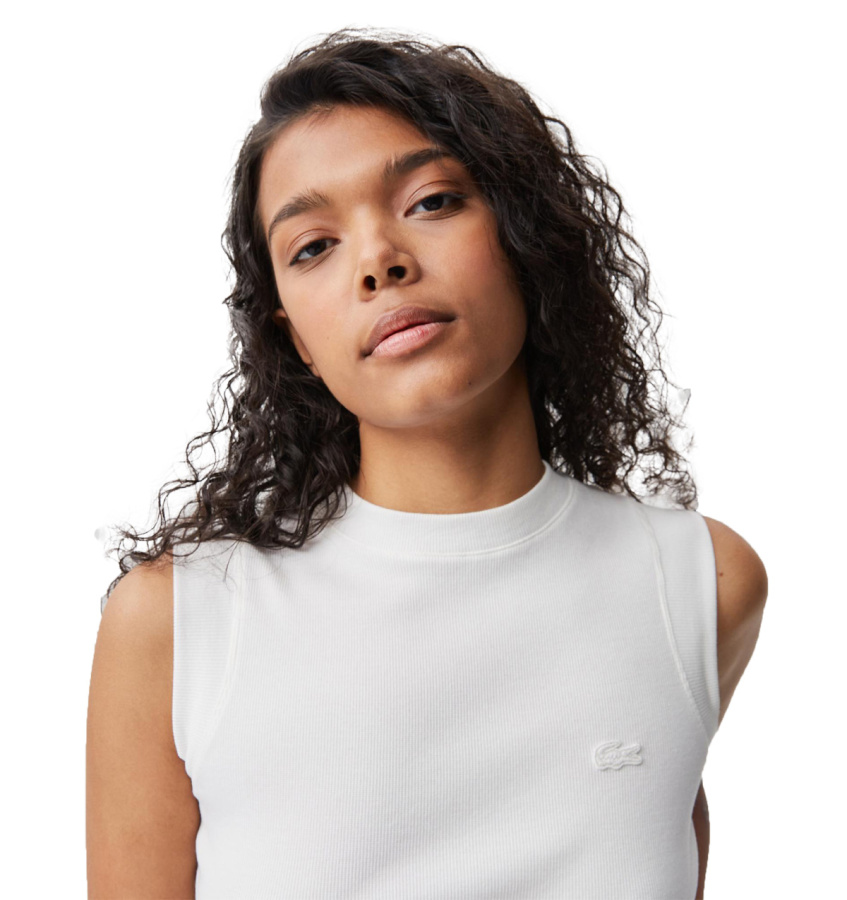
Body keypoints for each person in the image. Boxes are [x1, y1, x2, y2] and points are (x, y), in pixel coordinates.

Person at [86, 27, 768, 899]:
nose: (378, 261)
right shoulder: (182, 620)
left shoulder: (700, 582)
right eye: (313, 246)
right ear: (292, 336)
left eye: (431, 201)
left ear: (523, 233)